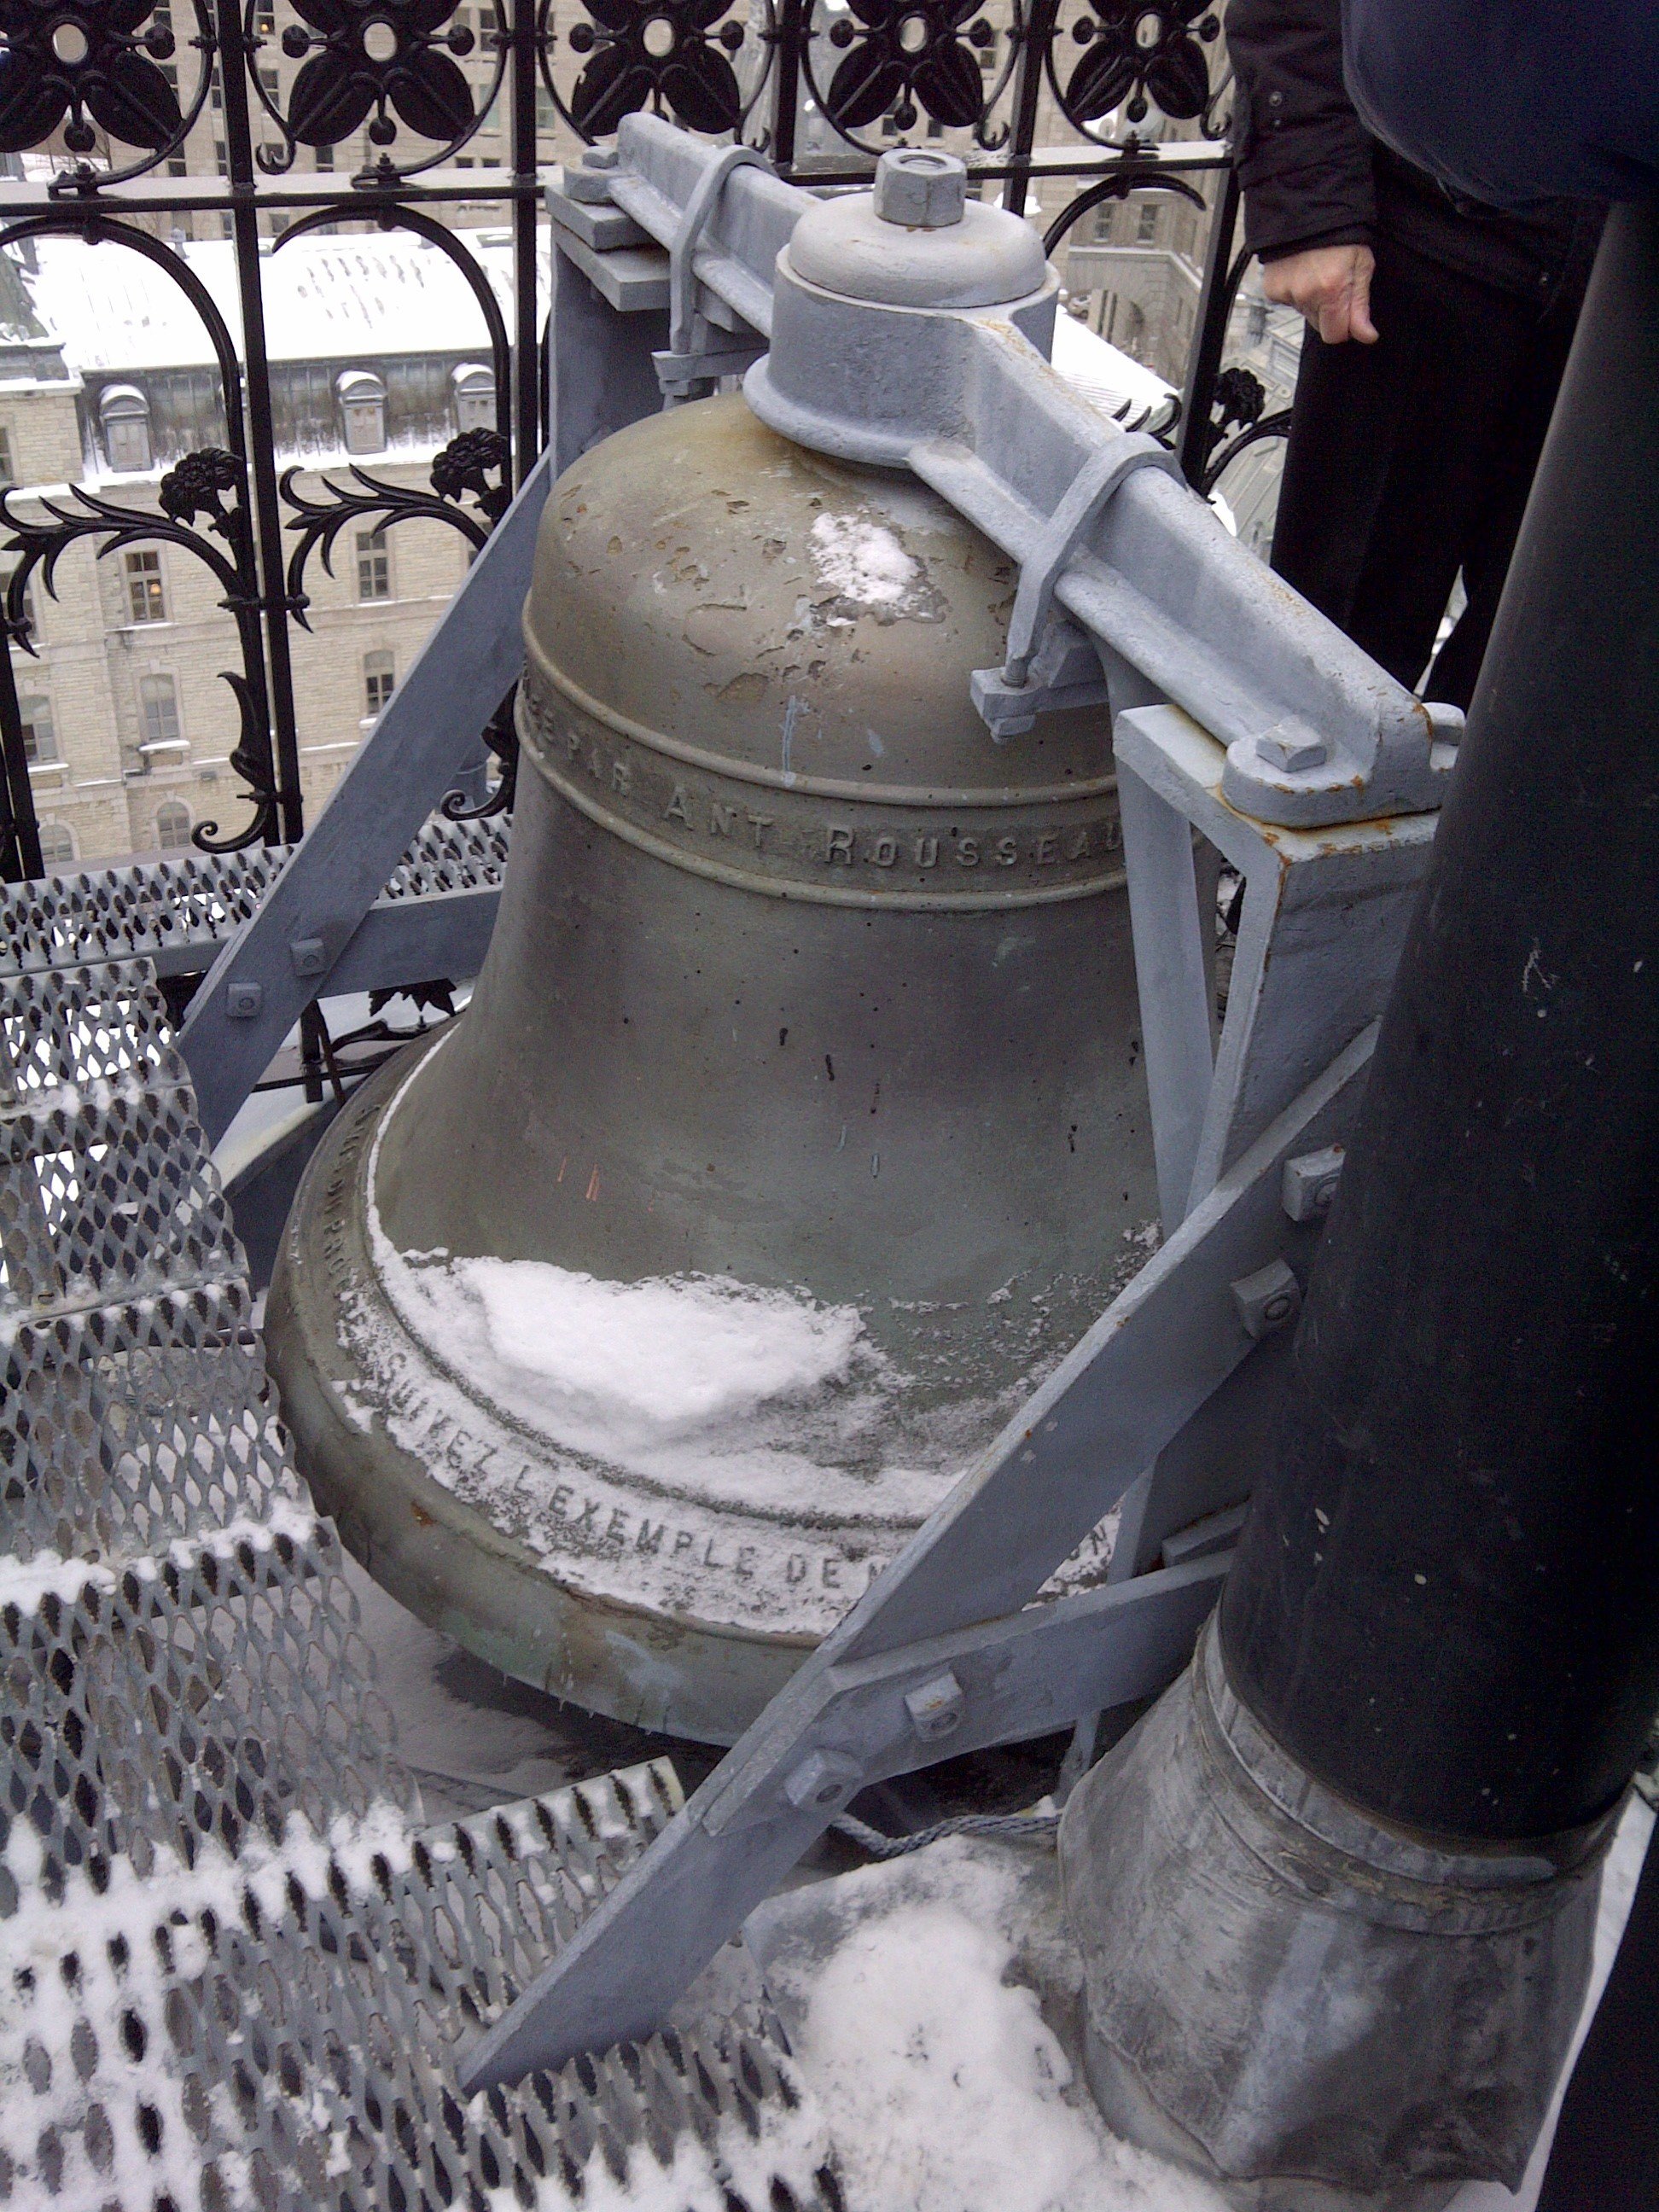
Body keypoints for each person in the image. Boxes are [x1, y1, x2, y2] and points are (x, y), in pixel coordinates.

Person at [1225, 0, 1604, 710]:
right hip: (1426, 244)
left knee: (1564, 689)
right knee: (1325, 686)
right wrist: (1310, 205)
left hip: (1630, 293)